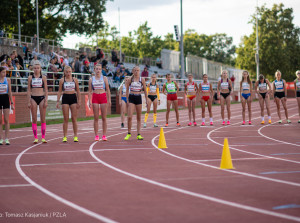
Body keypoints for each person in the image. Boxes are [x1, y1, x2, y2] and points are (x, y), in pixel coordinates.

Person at [56, 66, 81, 142]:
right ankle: (65, 136)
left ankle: (75, 136)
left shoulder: (75, 80)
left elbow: (78, 91)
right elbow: (60, 91)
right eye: (67, 72)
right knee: (66, 119)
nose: (68, 73)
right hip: (65, 97)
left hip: (73, 97)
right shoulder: (62, 80)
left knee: (74, 118)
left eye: (70, 72)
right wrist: (57, 101)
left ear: (71, 72)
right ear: (64, 72)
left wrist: (79, 101)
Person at [88, 64, 111, 141]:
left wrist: (109, 99)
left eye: (99, 69)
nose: (98, 70)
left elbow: (108, 89)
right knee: (96, 117)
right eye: (97, 69)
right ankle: (96, 135)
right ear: (94, 70)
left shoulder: (104, 78)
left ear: (101, 70)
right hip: (95, 97)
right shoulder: (91, 79)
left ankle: (104, 135)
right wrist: (89, 101)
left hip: (103, 96)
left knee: (104, 117)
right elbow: (89, 91)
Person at [27, 61, 48, 143]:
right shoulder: (30, 77)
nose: (36, 69)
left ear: (40, 69)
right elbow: (28, 90)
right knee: (34, 118)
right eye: (35, 68)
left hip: (42, 97)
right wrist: (28, 101)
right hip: (33, 98)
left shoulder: (43, 77)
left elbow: (46, 90)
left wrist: (46, 100)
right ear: (33, 69)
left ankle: (43, 137)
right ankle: (35, 138)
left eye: (38, 68)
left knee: (43, 118)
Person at [124, 66, 148, 140]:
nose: (136, 72)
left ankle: (138, 134)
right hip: (132, 97)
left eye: (138, 70)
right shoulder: (130, 79)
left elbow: (145, 90)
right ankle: (129, 133)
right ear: (132, 71)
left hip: (138, 97)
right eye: (135, 70)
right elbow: (127, 90)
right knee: (129, 116)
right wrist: (127, 99)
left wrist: (147, 100)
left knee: (139, 117)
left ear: (140, 71)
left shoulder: (142, 79)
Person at [0, 67, 14, 145]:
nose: (4, 74)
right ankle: (1, 138)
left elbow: (10, 92)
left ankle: (7, 138)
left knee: (6, 119)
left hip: (5, 99)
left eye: (5, 72)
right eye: (3, 72)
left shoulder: (7, 80)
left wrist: (12, 103)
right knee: (0, 121)